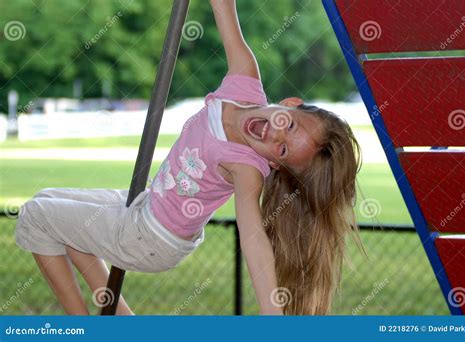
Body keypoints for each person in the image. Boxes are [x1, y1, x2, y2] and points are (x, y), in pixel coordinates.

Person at [15, 0, 362, 315]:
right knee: (55, 208)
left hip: (152, 236)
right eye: (290, 124)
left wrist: (273, 316)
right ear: (290, 104)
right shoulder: (244, 79)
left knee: (36, 214)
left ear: (274, 164)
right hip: (147, 206)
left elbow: (253, 238)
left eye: (283, 149)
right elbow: (224, 9)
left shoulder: (245, 168)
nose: (274, 134)